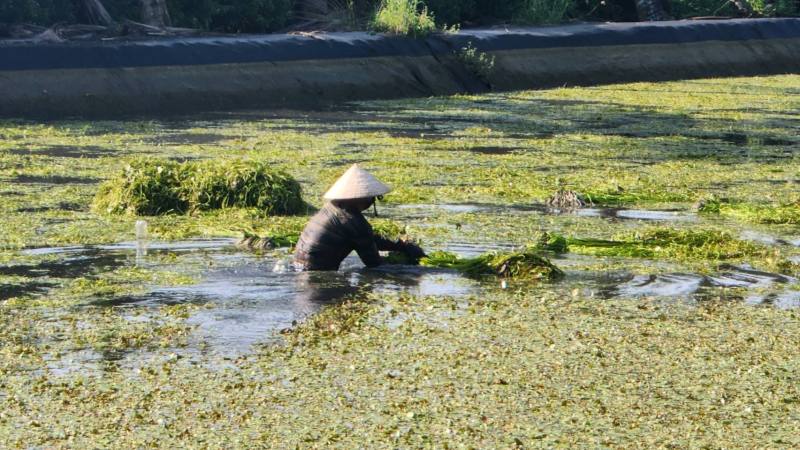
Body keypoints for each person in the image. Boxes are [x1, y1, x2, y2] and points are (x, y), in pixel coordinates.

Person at [293, 164, 425, 271]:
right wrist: (408, 266)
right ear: (362, 198)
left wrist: (401, 245)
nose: (372, 201)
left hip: (299, 267)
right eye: (372, 198)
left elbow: (369, 240)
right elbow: (374, 263)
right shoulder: (353, 222)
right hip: (316, 274)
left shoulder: (330, 208)